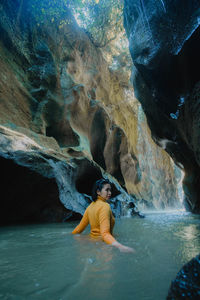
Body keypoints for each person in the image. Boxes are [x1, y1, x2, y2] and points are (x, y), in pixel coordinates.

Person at [72, 178, 135, 253]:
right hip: (103, 247)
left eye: (110, 190)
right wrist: (120, 246)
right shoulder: (105, 206)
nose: (110, 193)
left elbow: (78, 230)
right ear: (98, 192)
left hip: (93, 245)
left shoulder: (90, 207)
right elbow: (104, 234)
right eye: (107, 190)